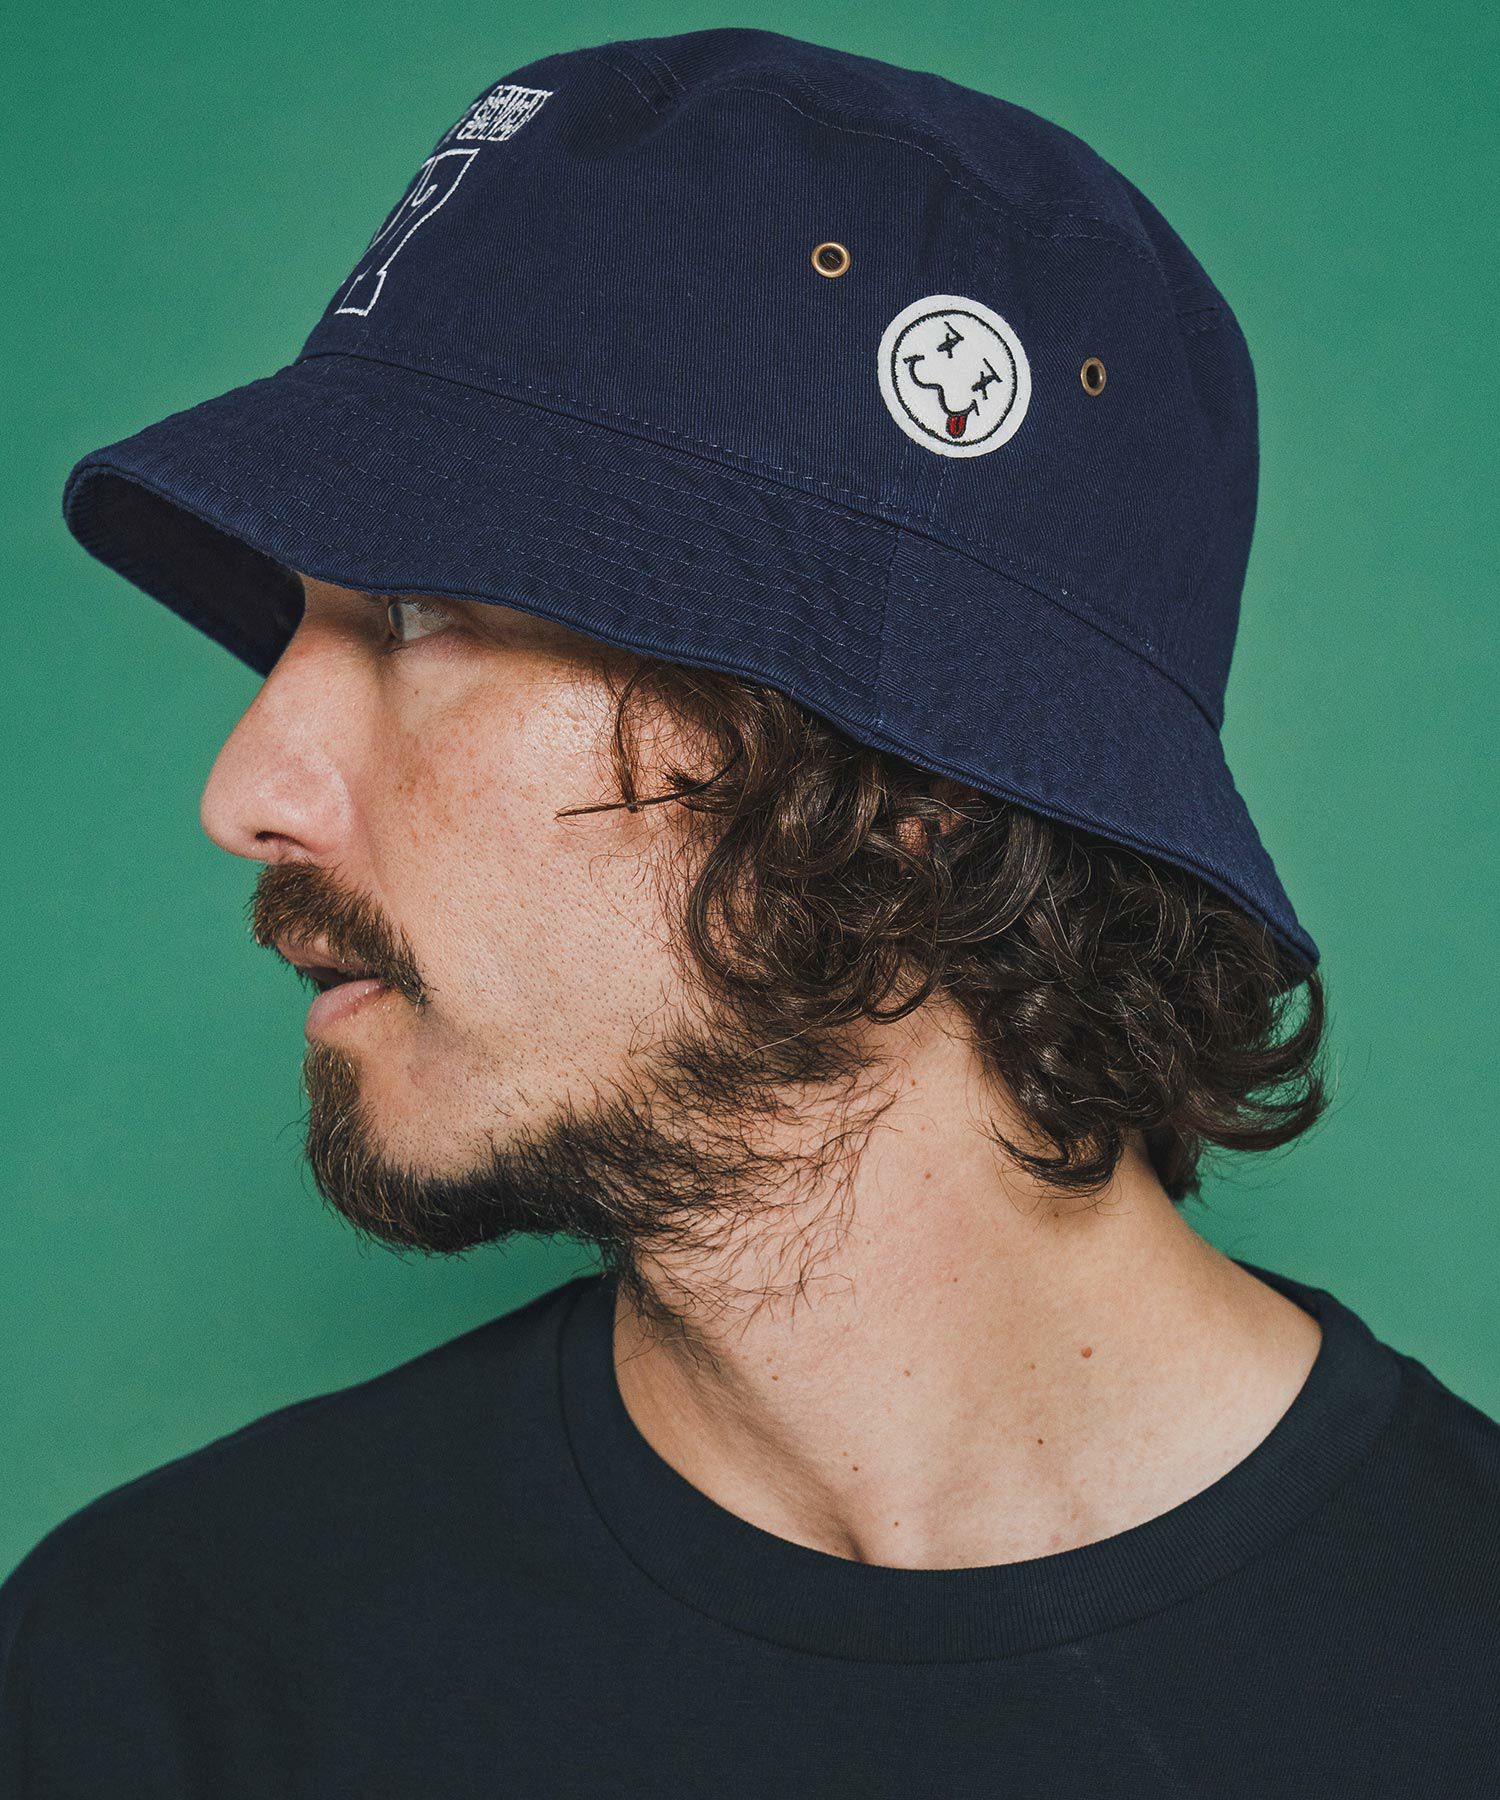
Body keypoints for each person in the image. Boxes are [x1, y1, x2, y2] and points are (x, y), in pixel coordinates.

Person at [3, 26, 1496, 1798]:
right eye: (301, 618)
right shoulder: (169, 1671)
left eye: (418, 614)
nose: (247, 787)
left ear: (920, 785)